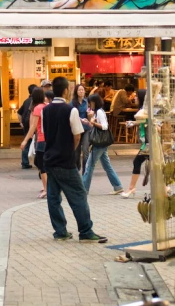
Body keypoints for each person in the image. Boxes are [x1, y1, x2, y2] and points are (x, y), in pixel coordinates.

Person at [42, 76, 107, 243]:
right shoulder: (71, 110)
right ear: (66, 90)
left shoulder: (45, 110)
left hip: (49, 159)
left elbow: (44, 133)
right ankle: (85, 231)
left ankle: (60, 231)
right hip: (65, 160)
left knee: (53, 197)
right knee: (78, 194)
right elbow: (77, 135)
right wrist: (71, 151)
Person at [82, 93, 123, 195]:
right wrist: (89, 122)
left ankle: (83, 189)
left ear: (94, 102)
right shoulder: (97, 112)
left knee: (89, 165)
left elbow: (104, 126)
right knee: (106, 165)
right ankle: (118, 186)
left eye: (90, 102)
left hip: (99, 143)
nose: (89, 105)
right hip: (101, 143)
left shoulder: (99, 112)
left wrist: (93, 123)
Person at [21, 87, 48, 198]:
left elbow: (33, 126)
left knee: (40, 163)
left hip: (41, 139)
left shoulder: (37, 108)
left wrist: (25, 140)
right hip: (50, 139)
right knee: (43, 163)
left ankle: (47, 188)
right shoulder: (47, 106)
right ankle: (48, 186)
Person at [71, 84, 91, 174]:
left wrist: (90, 116)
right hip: (76, 129)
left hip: (86, 129)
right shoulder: (72, 103)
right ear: (76, 91)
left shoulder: (87, 102)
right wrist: (80, 119)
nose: (81, 91)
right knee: (76, 151)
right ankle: (76, 168)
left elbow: (90, 113)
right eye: (79, 90)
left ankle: (85, 171)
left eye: (82, 90)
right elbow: (71, 115)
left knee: (86, 150)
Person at [17, 84, 36, 170]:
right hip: (33, 124)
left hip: (26, 123)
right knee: (37, 141)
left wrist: (21, 122)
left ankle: (25, 162)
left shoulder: (26, 101)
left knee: (27, 141)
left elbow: (19, 112)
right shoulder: (36, 101)